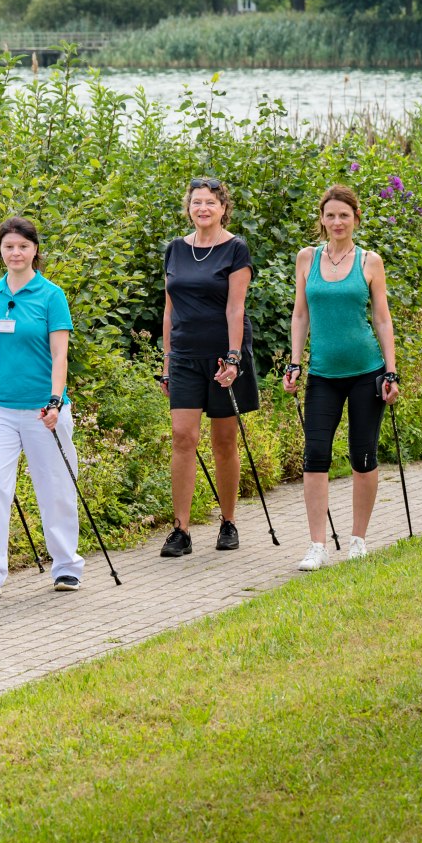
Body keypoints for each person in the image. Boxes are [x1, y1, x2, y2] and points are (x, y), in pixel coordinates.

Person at [282, 184, 400, 570]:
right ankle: (317, 545)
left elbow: (382, 318)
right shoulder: (306, 259)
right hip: (322, 374)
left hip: (367, 372)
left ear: (355, 219)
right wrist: (294, 362)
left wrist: (391, 370)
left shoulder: (370, 261)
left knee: (363, 456)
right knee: (315, 455)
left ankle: (358, 540)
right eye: (330, 215)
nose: (336, 222)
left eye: (344, 216)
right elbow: (300, 315)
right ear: (322, 219)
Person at [0, 216, 84, 598]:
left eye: (22, 246)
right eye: (8, 247)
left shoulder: (52, 295)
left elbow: (60, 354)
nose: (15, 253)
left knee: (55, 488)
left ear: (35, 249)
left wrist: (55, 401)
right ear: (0, 251)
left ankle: (66, 567)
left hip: (43, 410)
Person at [159, 176, 260, 557]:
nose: (203, 209)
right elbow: (168, 309)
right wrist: (166, 360)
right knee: (183, 437)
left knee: (223, 442)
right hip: (183, 356)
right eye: (196, 202)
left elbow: (236, 307)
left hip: (222, 356)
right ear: (189, 207)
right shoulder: (174, 250)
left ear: (223, 208)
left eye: (210, 203)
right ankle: (181, 530)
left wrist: (234, 358)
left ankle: (228, 521)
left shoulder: (235, 249)